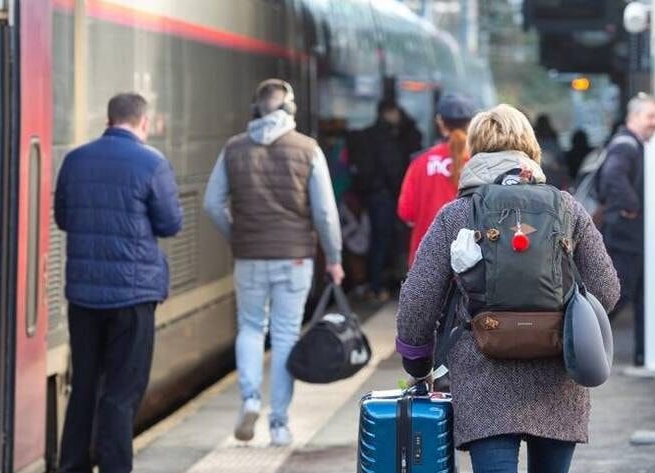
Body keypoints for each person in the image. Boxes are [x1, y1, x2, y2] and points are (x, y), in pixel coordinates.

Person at [395, 104, 619, 473]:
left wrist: (417, 364)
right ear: (530, 149)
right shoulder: (566, 209)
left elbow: (417, 302)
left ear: (475, 149)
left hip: (482, 371)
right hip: (558, 372)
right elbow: (609, 291)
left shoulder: (458, 213)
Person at [54, 92, 182, 473]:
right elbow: (169, 223)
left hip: (85, 295)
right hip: (132, 294)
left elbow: (64, 218)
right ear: (143, 123)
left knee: (85, 385)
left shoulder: (76, 160)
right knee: (122, 390)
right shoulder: (151, 163)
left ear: (109, 119)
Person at [203, 79, 344, 447]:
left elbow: (211, 203)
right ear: (291, 110)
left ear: (255, 110)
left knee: (250, 328)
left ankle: (250, 399)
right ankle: (279, 424)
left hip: (249, 257)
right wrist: (334, 258)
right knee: (284, 336)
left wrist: (237, 235)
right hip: (294, 258)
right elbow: (325, 213)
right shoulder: (307, 149)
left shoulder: (233, 149)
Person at [596, 92, 655, 366]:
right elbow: (612, 176)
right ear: (634, 117)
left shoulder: (632, 144)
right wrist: (632, 205)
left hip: (630, 235)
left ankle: (643, 353)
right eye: (650, 116)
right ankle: (586, 342)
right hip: (626, 235)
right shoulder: (626, 146)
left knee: (637, 295)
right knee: (618, 294)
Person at [348, 98, 421, 300]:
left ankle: (375, 284)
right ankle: (377, 285)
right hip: (385, 196)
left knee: (378, 240)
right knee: (383, 240)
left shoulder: (370, 135)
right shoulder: (386, 137)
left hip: (373, 195)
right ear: (388, 113)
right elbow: (393, 168)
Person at [396, 93, 478, 265]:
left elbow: (406, 211)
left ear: (441, 123)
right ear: (472, 124)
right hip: (471, 259)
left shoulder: (420, 162)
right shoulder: (480, 163)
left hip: (425, 259)